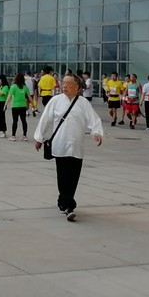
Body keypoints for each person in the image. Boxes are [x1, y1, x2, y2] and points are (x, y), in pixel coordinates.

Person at [33, 73, 104, 222]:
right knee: (63, 175)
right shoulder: (55, 101)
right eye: (63, 83)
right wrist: (39, 138)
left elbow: (94, 120)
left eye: (68, 84)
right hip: (60, 144)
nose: (64, 86)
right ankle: (68, 206)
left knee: (73, 177)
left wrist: (96, 133)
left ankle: (64, 201)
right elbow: (45, 120)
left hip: (77, 146)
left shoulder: (83, 103)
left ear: (77, 87)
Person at [6, 72, 30, 140]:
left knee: (15, 121)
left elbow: (9, 96)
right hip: (23, 106)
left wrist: (5, 104)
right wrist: (33, 105)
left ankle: (13, 136)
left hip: (15, 106)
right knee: (24, 121)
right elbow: (29, 97)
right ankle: (24, 136)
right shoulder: (25, 87)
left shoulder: (13, 87)